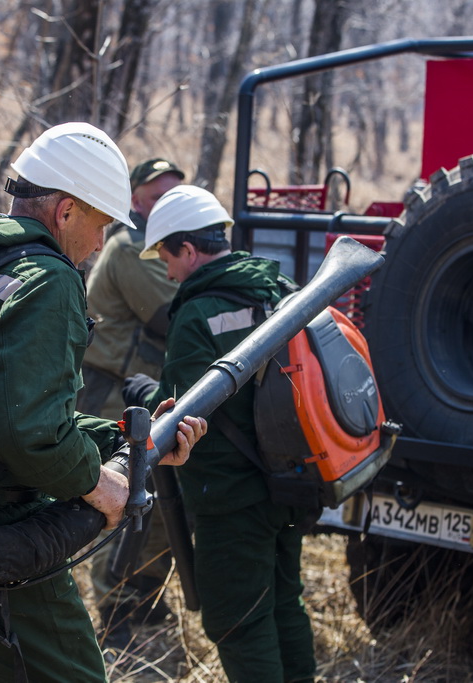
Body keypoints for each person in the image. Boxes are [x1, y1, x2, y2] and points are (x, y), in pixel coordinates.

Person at [0, 122, 207, 682]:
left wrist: (121, 440)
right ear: (64, 211)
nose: (101, 243)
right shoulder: (48, 280)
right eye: (101, 223)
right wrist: (100, 483)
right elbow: (26, 435)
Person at [124, 185, 316, 683]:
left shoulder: (195, 315)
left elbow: (180, 417)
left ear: (189, 250)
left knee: (239, 622)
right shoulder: (280, 289)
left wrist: (145, 393)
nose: (166, 272)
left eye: (166, 257)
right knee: (283, 604)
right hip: (290, 483)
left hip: (231, 501)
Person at [77, 157, 185, 648]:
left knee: (158, 502)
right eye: (157, 195)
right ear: (136, 200)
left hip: (146, 389)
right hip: (113, 391)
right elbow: (167, 315)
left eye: (174, 195)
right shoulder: (126, 247)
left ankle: (142, 590)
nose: (167, 204)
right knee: (122, 497)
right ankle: (114, 607)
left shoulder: (160, 247)